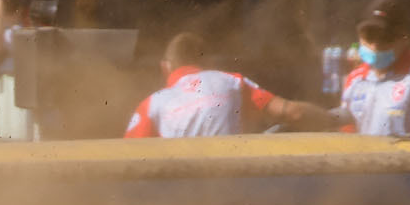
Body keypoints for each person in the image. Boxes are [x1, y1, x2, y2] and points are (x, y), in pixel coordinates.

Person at [126, 32, 334, 137]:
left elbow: (129, 159)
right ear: (207, 62)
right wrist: (333, 119)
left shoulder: (152, 103)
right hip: (233, 193)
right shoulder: (231, 81)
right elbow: (294, 113)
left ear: (165, 67)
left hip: (180, 204)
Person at [336, 0, 410, 136]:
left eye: (385, 37)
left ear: (404, 38)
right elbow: (347, 133)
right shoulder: (354, 79)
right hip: (365, 156)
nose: (376, 45)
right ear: (359, 37)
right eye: (369, 36)